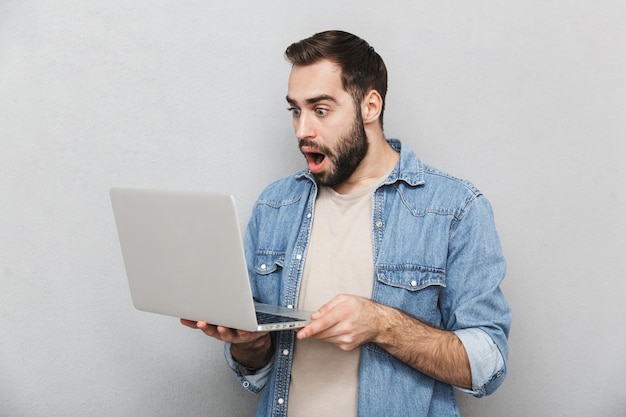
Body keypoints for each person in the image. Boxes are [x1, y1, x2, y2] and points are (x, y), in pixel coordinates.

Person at [182, 30, 511, 417]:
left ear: (370, 105)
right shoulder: (275, 206)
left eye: (320, 110)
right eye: (295, 110)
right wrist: (249, 346)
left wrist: (382, 325)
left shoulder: (454, 208)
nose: (303, 129)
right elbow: (257, 371)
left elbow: (488, 366)